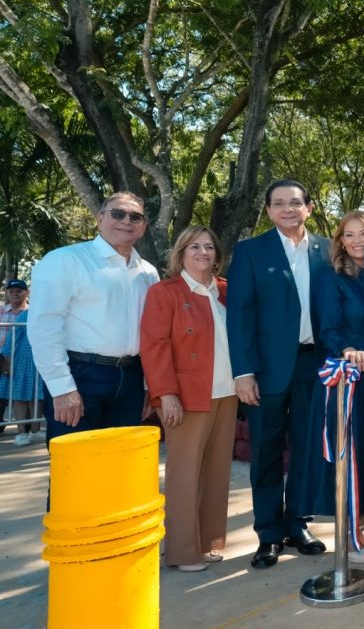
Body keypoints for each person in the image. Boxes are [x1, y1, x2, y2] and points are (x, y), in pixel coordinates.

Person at [227, 179, 331, 569]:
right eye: (279, 203)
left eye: (295, 202)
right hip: (266, 371)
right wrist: (243, 372)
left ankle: (298, 524)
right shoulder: (251, 252)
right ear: (269, 210)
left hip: (314, 366)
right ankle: (268, 534)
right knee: (266, 454)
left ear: (309, 207)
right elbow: (240, 316)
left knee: (307, 451)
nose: (288, 209)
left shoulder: (328, 250)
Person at [140, 226, 238, 572]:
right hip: (187, 396)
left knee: (216, 472)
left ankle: (208, 541)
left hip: (228, 393)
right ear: (181, 252)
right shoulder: (164, 293)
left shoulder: (226, 290)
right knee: (184, 475)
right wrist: (165, 394)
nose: (203, 253)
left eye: (209, 246)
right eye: (194, 246)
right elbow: (154, 346)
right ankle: (182, 552)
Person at [305, 210, 364, 564]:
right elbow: (328, 327)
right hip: (349, 377)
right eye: (350, 235)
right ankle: (348, 537)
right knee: (349, 455)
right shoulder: (331, 277)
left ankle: (359, 530)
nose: (358, 241)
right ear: (340, 241)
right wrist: (347, 350)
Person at [28, 193, 159, 444]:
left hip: (131, 377)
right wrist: (62, 388)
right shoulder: (65, 260)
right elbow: (44, 326)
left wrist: (145, 385)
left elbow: (151, 334)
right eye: (117, 213)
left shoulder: (149, 273)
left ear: (143, 227)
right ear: (100, 218)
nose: (126, 221)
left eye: (135, 217)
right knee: (75, 470)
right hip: (79, 375)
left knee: (118, 468)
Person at [2, 280, 40, 445]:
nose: (15, 294)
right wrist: (8, 359)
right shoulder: (25, 315)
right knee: (19, 396)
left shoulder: (41, 312)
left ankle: (35, 430)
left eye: (19, 291)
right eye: (12, 291)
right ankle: (21, 432)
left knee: (38, 396)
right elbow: (12, 338)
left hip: (40, 360)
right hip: (21, 360)